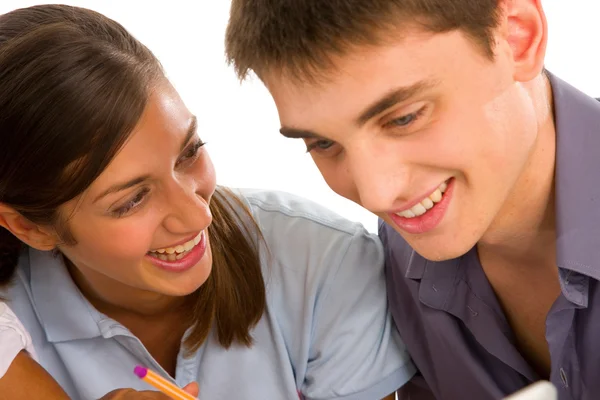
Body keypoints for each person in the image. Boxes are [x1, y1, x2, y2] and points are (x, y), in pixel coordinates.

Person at [0, 4, 415, 399]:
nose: (198, 216)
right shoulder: (12, 315)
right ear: (30, 227)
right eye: (132, 200)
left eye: (189, 152)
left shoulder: (324, 265)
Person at [224, 0, 600, 399]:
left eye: (404, 118)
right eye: (323, 143)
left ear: (517, 38)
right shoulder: (398, 260)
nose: (376, 194)